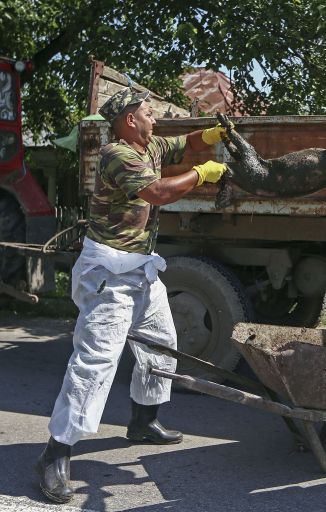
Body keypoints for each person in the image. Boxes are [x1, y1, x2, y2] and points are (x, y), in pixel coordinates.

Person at [35, 87, 230, 504]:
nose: (155, 119)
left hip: (139, 268)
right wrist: (203, 174)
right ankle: (56, 452)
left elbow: (184, 142)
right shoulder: (117, 155)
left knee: (162, 345)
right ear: (129, 119)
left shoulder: (151, 143)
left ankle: (144, 421)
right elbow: (157, 193)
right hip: (108, 272)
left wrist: (210, 135)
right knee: (96, 362)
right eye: (148, 113)